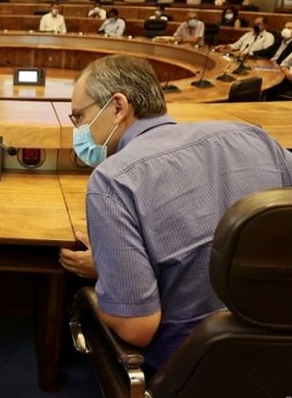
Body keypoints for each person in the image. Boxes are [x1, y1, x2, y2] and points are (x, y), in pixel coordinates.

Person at [60, 54, 292, 376]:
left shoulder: (113, 180)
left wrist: (110, 273)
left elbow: (137, 328)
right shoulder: (254, 137)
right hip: (280, 344)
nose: (79, 130)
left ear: (118, 107)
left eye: (78, 117)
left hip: (195, 366)